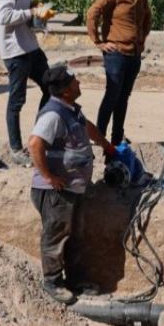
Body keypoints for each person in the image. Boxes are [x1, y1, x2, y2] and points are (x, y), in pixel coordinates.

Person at [28, 65, 115, 304]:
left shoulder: (71, 110)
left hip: (72, 190)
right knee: (55, 236)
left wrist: (107, 146)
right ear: (66, 91)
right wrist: (49, 177)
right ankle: (53, 283)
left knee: (73, 235)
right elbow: (35, 144)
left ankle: (75, 280)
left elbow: (88, 128)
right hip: (57, 192)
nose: (78, 83)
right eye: (74, 81)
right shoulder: (53, 115)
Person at [0, 0, 56, 166]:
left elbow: (23, 16)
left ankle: (38, 138)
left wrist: (37, 11)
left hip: (30, 47)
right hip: (16, 52)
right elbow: (4, 16)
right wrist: (31, 13)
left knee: (52, 87)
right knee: (16, 101)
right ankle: (15, 149)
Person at [86, 0, 152, 146]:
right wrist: (99, 42)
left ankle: (116, 137)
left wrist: (142, 38)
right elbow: (92, 13)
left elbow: (147, 17)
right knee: (112, 94)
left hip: (134, 54)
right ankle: (99, 136)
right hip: (116, 54)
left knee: (123, 97)